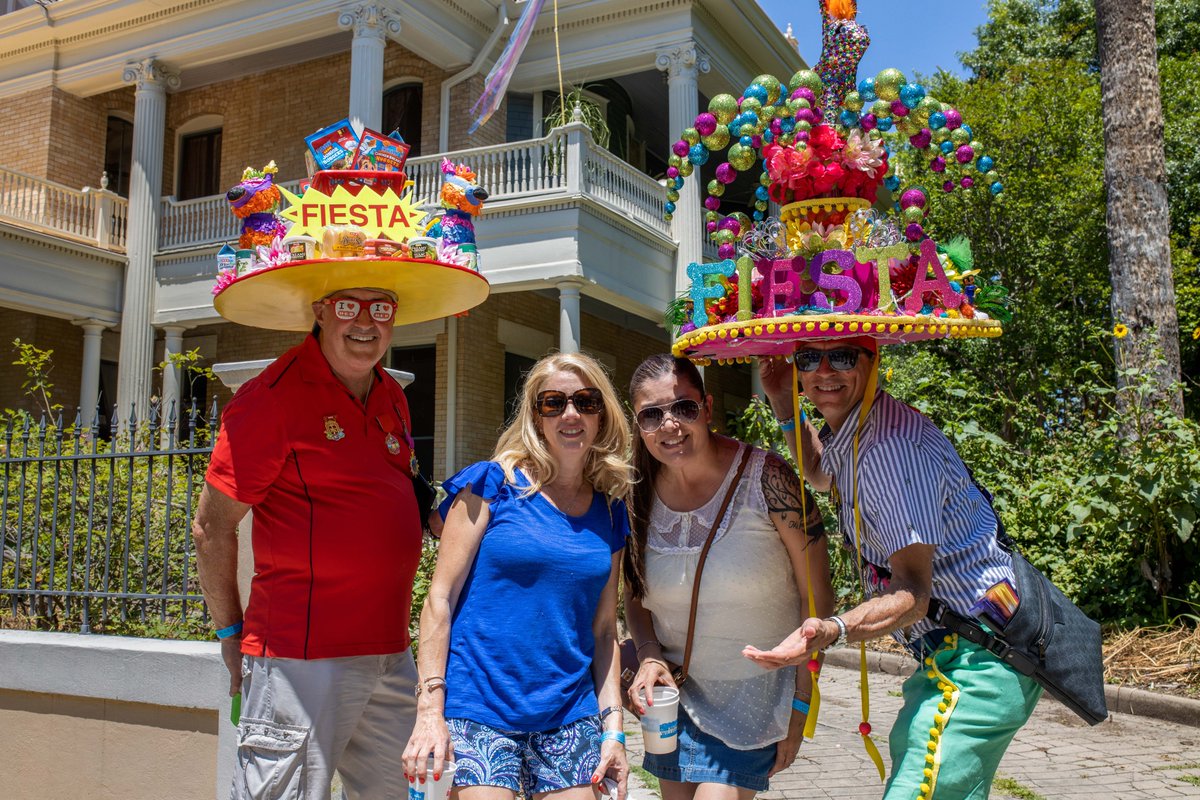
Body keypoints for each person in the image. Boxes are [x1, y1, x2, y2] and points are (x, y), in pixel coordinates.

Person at [745, 338, 1043, 800]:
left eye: (842, 356)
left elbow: (913, 594)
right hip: (967, 650)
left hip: (980, 658)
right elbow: (824, 474)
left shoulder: (887, 448)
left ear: (871, 359)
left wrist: (833, 629)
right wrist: (783, 400)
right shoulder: (861, 427)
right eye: (808, 358)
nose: (824, 371)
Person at [193, 287, 427, 800]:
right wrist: (230, 632)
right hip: (299, 657)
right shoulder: (270, 399)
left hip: (390, 652)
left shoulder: (391, 393)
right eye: (348, 306)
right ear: (319, 311)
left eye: (381, 307)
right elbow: (211, 528)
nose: (365, 322)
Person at [403, 352, 633, 800]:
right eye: (554, 403)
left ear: (601, 415)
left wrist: (615, 731)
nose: (570, 414)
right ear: (536, 415)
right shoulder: (491, 485)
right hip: (479, 707)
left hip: (569, 712)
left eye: (585, 402)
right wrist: (430, 710)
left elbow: (605, 630)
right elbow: (440, 600)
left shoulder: (611, 510)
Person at [623, 353, 833, 799]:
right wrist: (647, 656)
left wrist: (800, 703)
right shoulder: (633, 496)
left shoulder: (768, 479)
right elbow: (636, 598)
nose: (670, 425)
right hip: (672, 697)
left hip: (755, 701)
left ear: (708, 407)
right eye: (651, 414)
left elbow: (816, 597)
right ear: (637, 424)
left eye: (684, 407)